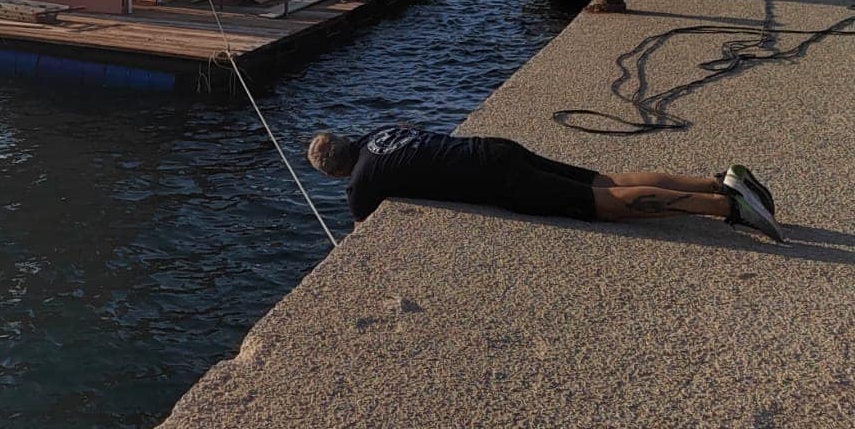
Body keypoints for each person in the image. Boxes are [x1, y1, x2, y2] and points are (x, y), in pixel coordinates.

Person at [306, 125, 782, 241]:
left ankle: (729, 208)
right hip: (494, 147)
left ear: (335, 172)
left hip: (496, 178)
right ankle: (720, 182)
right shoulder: (380, 134)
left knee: (605, 204)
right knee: (606, 179)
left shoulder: (360, 182)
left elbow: (361, 232)